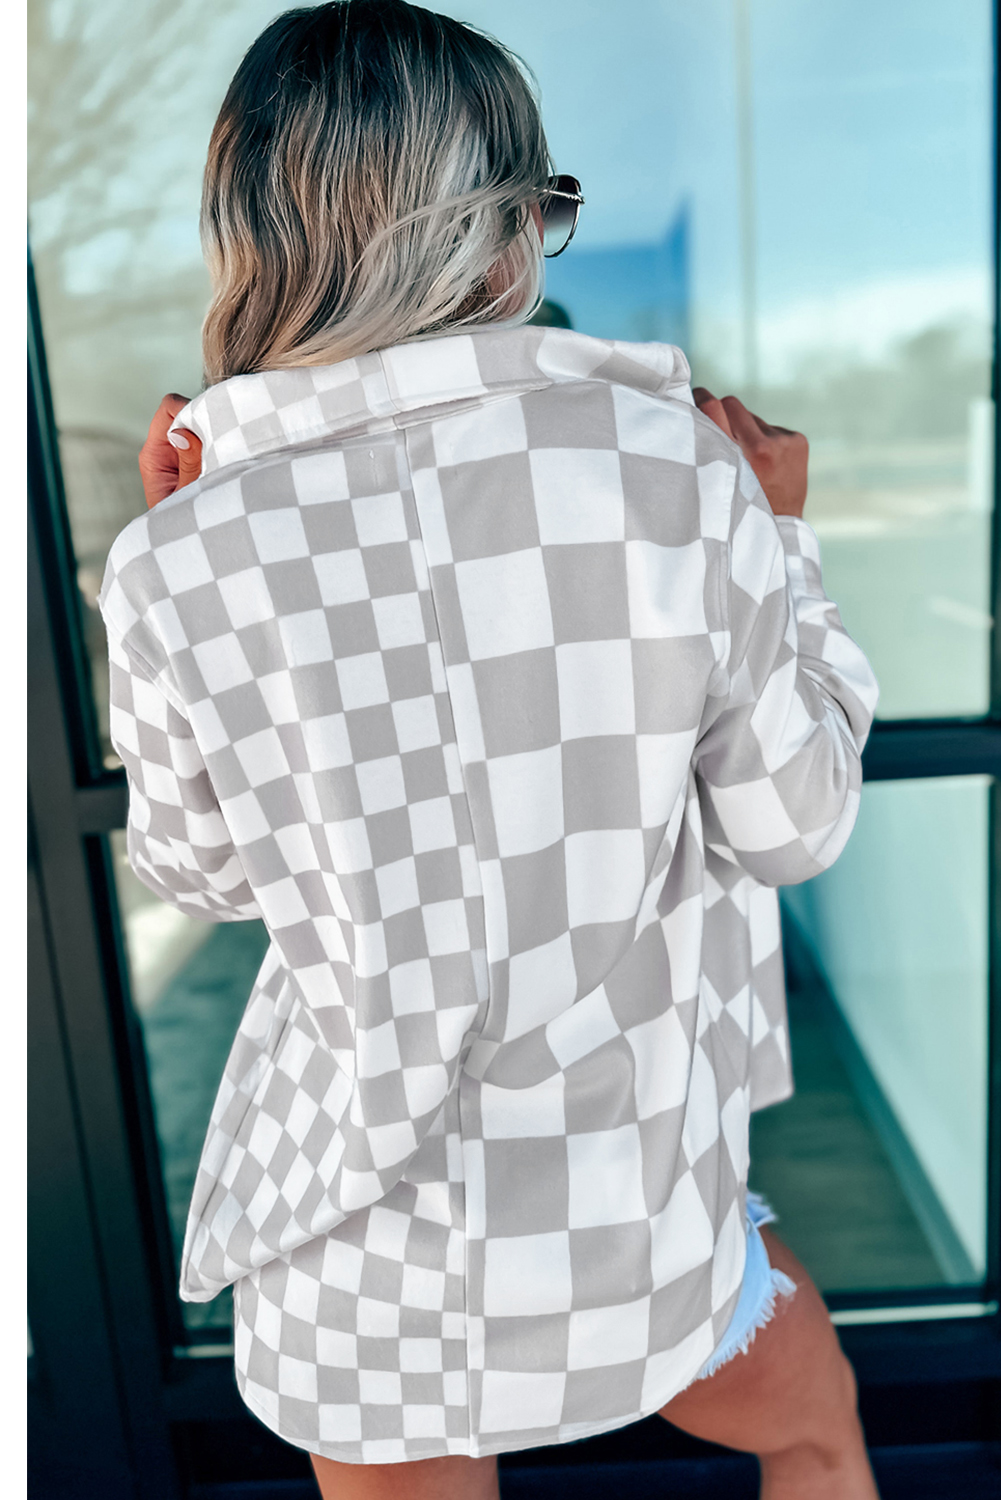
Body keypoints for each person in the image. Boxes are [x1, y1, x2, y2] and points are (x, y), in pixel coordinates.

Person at [102, 3, 881, 1496]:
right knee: (813, 1433)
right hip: (630, 1196)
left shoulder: (184, 550)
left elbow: (205, 876)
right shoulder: (677, 473)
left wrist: (179, 569)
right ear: (502, 229)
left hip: (363, 1233)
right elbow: (794, 825)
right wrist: (785, 541)